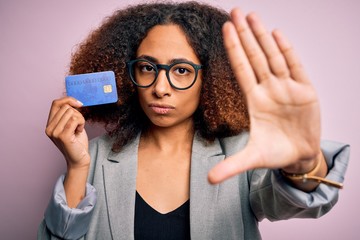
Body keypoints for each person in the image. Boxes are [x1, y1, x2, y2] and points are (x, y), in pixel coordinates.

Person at [38, 1, 350, 239]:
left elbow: (296, 201)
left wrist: (303, 164)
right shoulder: (94, 156)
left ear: (212, 78)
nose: (160, 88)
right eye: (148, 67)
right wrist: (78, 168)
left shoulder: (243, 152)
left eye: (182, 70)